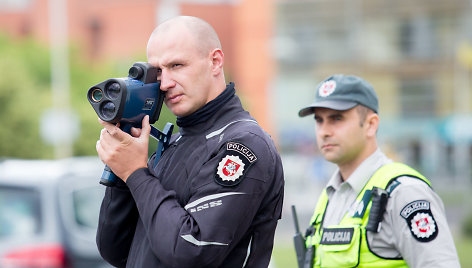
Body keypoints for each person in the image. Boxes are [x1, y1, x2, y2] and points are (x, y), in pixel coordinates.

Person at [95, 16, 284, 268]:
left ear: (215, 61)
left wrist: (136, 173)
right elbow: (115, 249)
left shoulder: (243, 145)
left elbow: (191, 251)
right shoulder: (173, 143)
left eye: (177, 65)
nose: (165, 83)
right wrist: (121, 172)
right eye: (158, 71)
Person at [297, 74, 460, 267]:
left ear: (370, 125)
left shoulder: (404, 192)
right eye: (319, 120)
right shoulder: (329, 195)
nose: (324, 131)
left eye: (336, 118)